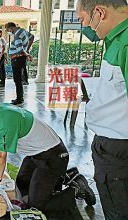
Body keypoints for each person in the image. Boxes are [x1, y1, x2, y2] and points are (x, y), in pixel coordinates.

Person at [0, 96, 96, 213]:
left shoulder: (6, 120)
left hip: (54, 157)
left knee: (37, 204)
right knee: (21, 183)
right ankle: (66, 176)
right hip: (37, 154)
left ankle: (77, 189)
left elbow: (1, 156)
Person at [76, 1, 128, 219]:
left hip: (118, 150)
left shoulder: (126, 44)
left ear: (99, 12)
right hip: (111, 147)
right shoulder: (115, 40)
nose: (85, 27)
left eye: (82, 20)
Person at [5, 22, 34, 105]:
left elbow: (20, 49)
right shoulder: (23, 31)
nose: (9, 32)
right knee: (19, 79)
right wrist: (27, 49)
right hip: (20, 58)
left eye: (8, 30)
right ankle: (20, 98)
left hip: (17, 59)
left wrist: (27, 54)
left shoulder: (17, 35)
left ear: (11, 28)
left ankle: (19, 99)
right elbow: (32, 37)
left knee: (17, 80)